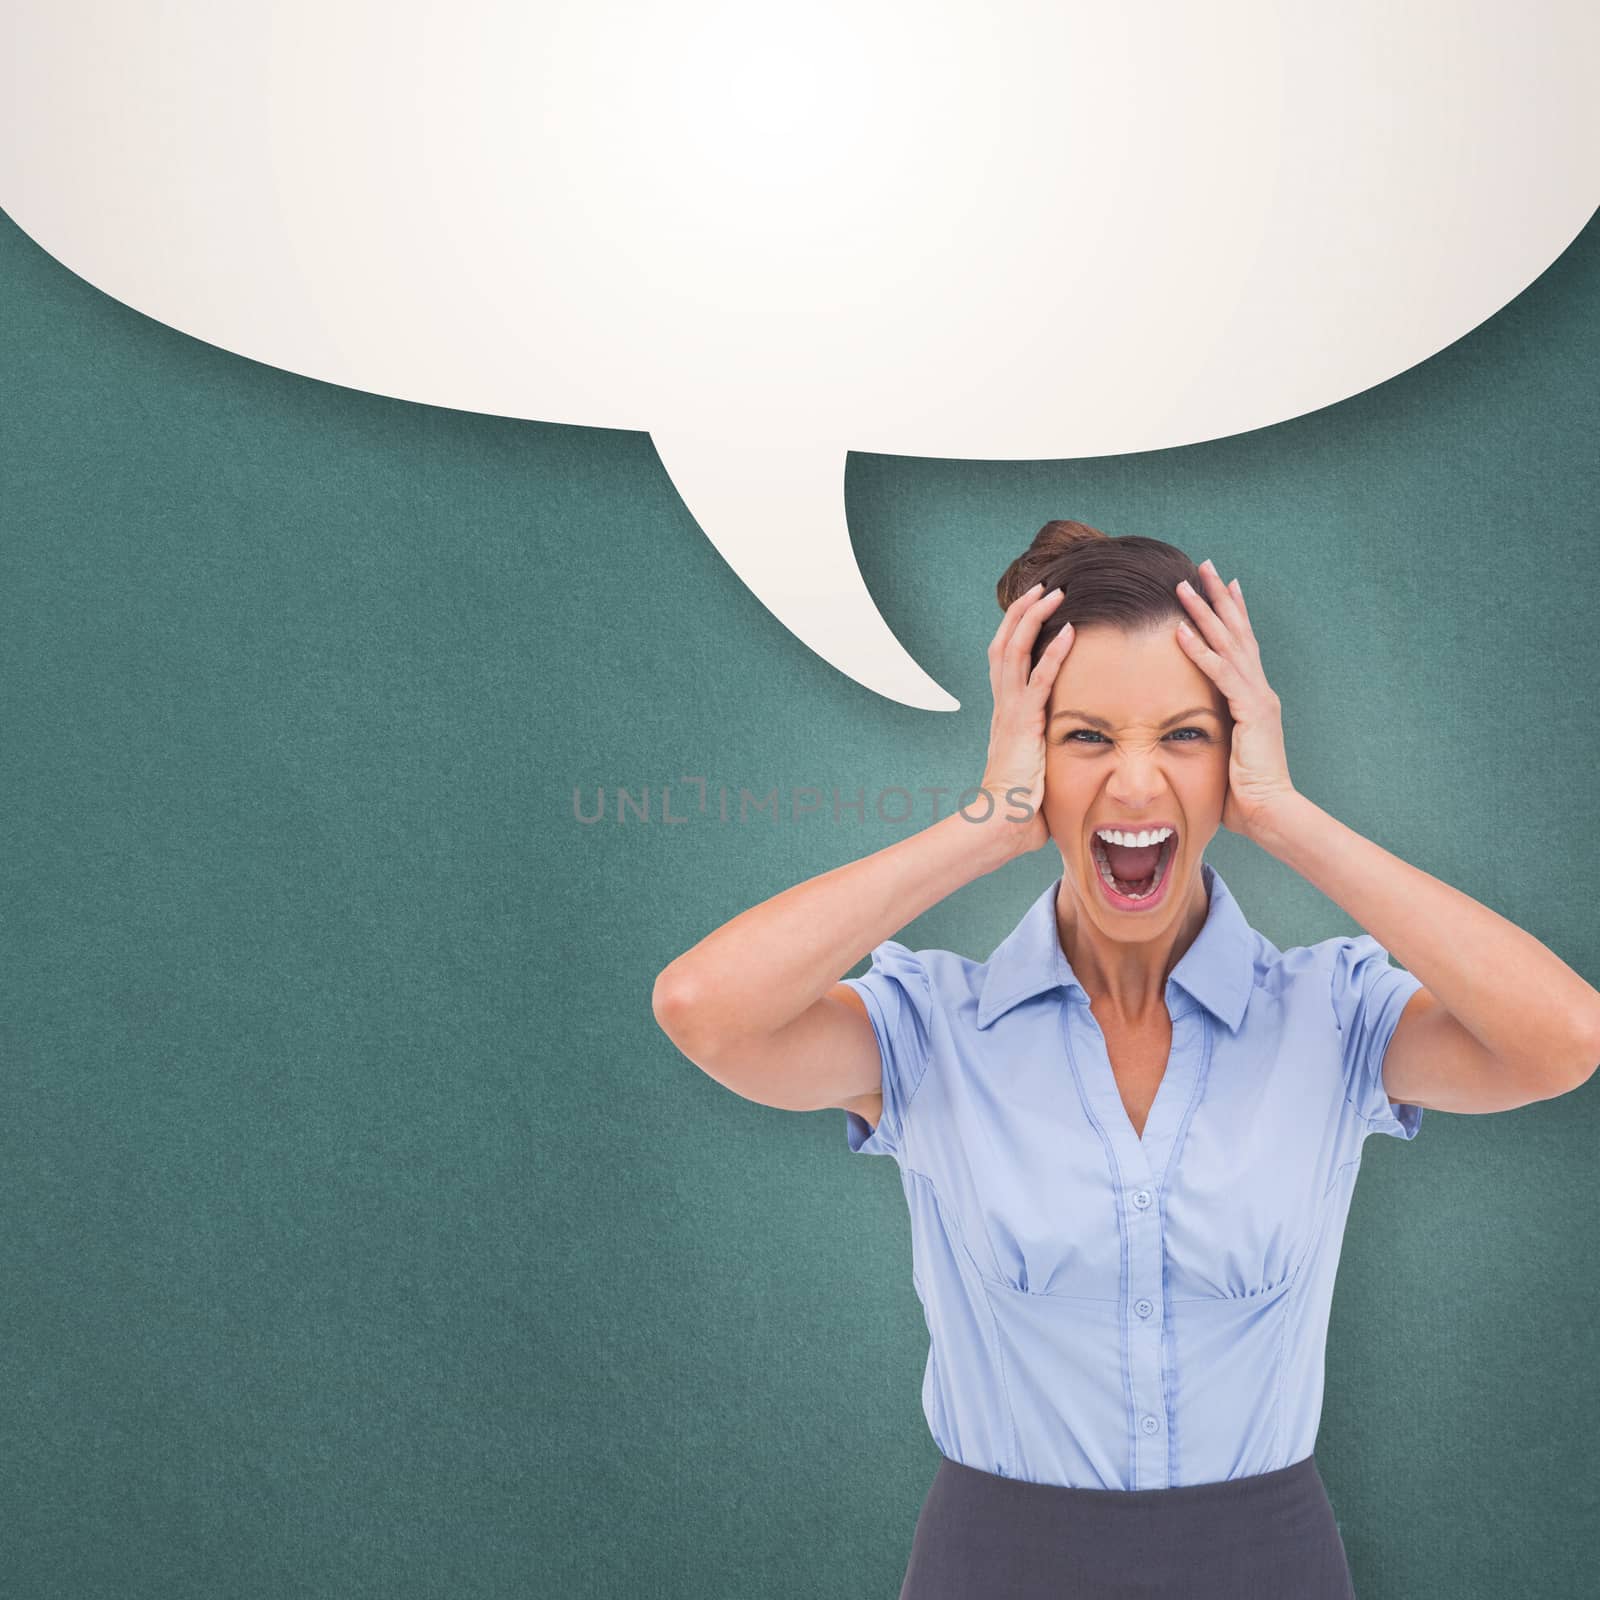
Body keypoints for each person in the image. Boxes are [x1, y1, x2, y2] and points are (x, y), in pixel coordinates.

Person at [651, 520, 1600, 1598]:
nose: (1138, 784)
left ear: (1233, 757)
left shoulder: (1330, 1018)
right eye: (1086, 737)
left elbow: (1562, 1040)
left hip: (1270, 1565)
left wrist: (1288, 820)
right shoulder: (931, 1029)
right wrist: (984, 825)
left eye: (1186, 736)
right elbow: (702, 1010)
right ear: (1031, 756)